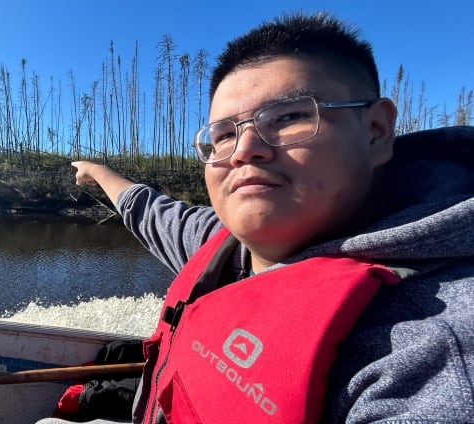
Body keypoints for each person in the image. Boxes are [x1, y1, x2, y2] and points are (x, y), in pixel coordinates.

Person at [40, 11, 474, 424]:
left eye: (288, 117)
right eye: (223, 134)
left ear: (376, 132)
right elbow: (152, 211)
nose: (245, 149)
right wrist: (99, 172)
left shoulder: (432, 344)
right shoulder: (227, 249)